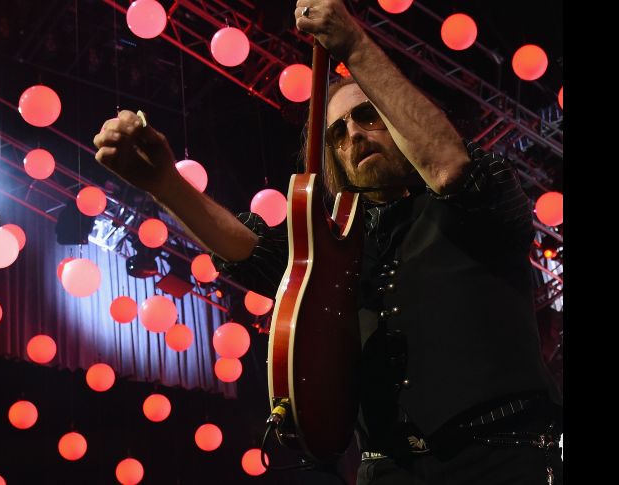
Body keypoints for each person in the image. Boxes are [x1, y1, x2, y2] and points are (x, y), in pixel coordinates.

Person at [92, 1, 563, 483]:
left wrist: (354, 45)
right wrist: (163, 184)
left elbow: (449, 169)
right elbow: (252, 253)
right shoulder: (339, 243)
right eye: (337, 133)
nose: (353, 135)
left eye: (369, 116)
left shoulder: (481, 196)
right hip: (388, 471)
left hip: (504, 457)